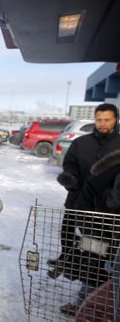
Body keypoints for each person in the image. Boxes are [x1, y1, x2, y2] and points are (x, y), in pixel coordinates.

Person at [52, 103, 120, 316]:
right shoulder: (81, 143)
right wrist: (69, 177)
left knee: (105, 261)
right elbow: (70, 164)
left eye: (107, 119)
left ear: (116, 120)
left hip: (109, 215)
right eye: (99, 119)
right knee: (86, 255)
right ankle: (87, 303)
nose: (102, 124)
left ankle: (101, 304)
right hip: (79, 207)